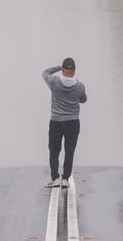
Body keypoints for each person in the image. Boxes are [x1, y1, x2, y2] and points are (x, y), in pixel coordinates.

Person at [42, 58, 87, 189]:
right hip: (73, 122)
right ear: (74, 70)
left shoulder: (54, 82)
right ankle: (66, 179)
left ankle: (55, 178)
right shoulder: (79, 86)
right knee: (69, 151)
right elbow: (83, 100)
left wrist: (57, 68)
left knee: (54, 150)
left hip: (56, 121)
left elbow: (44, 73)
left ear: (63, 69)